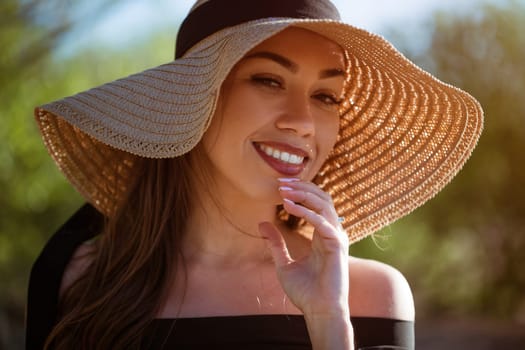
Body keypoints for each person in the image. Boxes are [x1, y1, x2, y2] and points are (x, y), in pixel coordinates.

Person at [26, 0, 483, 349]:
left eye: (326, 96)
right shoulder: (83, 277)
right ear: (193, 100)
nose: (303, 121)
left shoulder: (368, 294)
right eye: (269, 80)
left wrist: (329, 323)